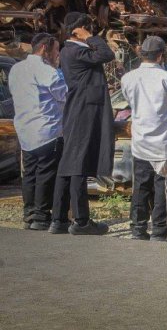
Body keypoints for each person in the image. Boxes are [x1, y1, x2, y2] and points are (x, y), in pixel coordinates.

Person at [121, 36, 167, 242]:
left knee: (140, 187)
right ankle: (161, 231)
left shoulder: (128, 78)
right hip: (164, 143)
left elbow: (129, 101)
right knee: (162, 187)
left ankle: (137, 228)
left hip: (140, 141)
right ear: (162, 55)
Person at [52, 12, 115, 235]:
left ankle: (58, 219)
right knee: (76, 165)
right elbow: (107, 54)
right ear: (78, 30)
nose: (91, 32)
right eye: (87, 28)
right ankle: (81, 221)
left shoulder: (70, 51)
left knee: (68, 164)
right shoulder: (76, 50)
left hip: (79, 111)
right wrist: (88, 36)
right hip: (83, 112)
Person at [9, 33, 67, 231]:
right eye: (56, 50)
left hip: (25, 129)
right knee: (46, 174)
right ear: (45, 49)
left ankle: (29, 213)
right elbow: (64, 96)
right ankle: (41, 216)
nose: (57, 55)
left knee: (30, 173)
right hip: (47, 129)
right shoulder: (47, 71)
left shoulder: (16, 69)